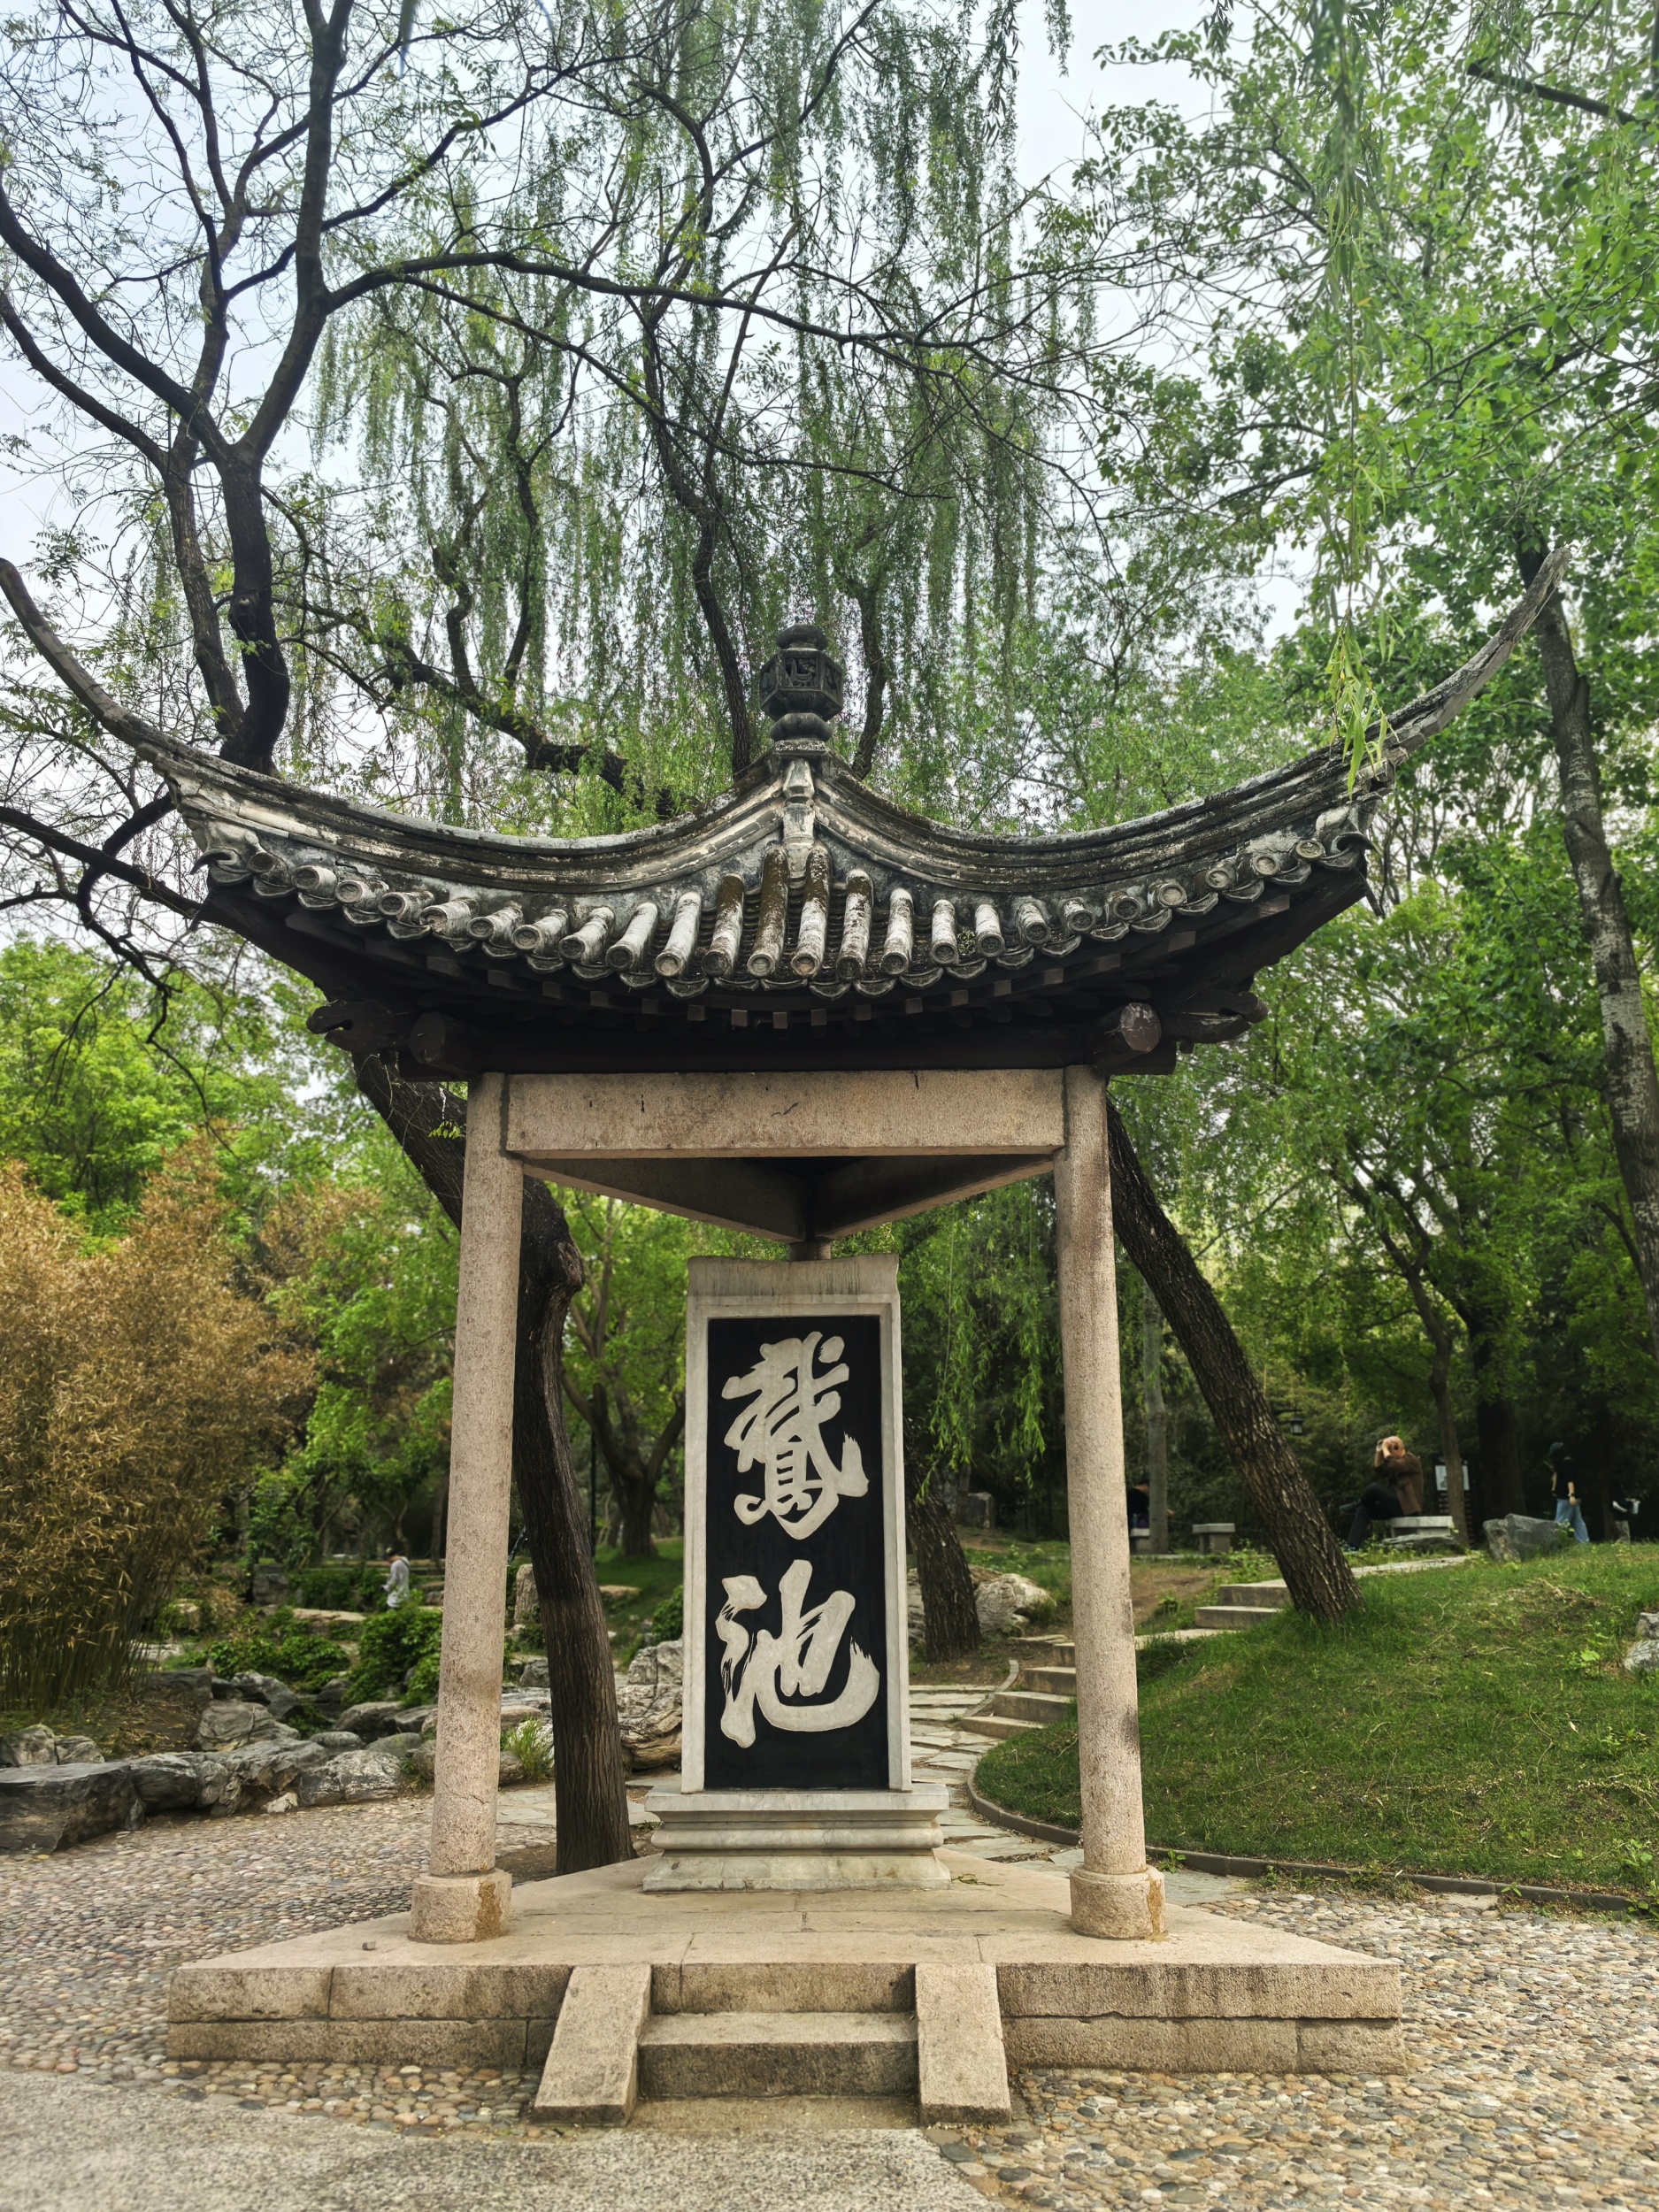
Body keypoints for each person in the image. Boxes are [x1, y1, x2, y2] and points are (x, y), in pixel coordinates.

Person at [1346, 1434, 1424, 1550]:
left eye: (1389, 1451)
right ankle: (1352, 1546)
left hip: (1406, 1508)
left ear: (1398, 1448)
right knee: (1364, 1510)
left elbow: (1393, 1463)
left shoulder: (1411, 1460)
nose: (1386, 1454)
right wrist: (1378, 1452)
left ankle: (1357, 1504)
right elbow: (1379, 1470)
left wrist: (1386, 1448)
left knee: (1374, 1488)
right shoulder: (1395, 1466)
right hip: (1394, 1506)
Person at [1548, 1443, 1589, 1544]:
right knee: (1577, 1522)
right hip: (1572, 1497)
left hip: (1566, 1498)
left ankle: (1556, 1543)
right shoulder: (1566, 1463)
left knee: (1560, 1522)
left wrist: (1571, 1495)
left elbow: (1569, 1480)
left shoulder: (1566, 1464)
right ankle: (1584, 1543)